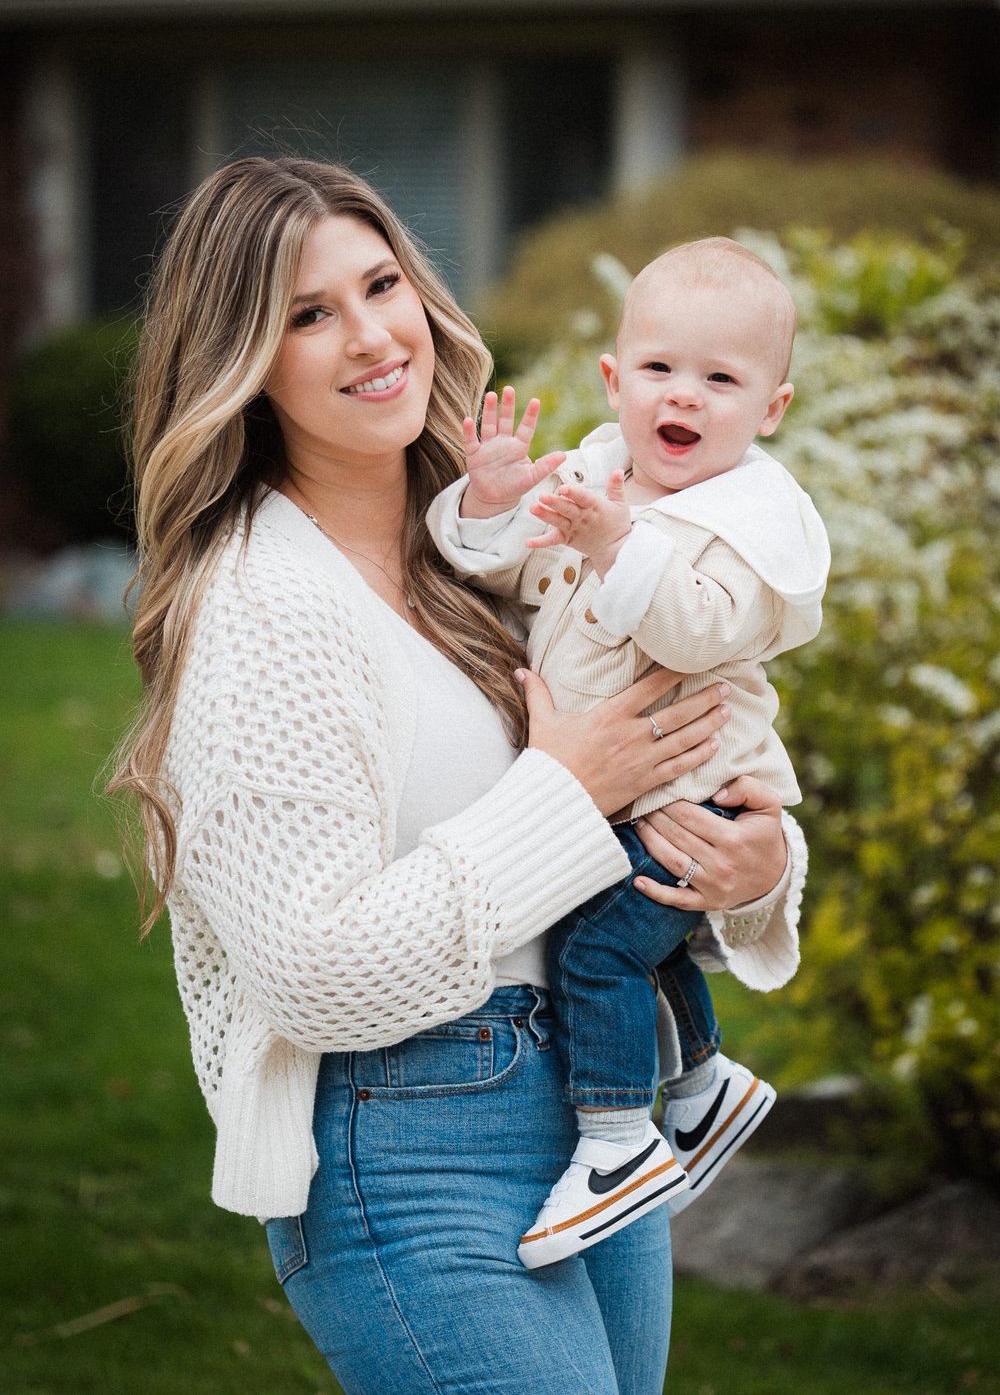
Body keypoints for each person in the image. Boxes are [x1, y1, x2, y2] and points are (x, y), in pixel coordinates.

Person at [111, 158, 801, 1395]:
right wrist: (563, 792)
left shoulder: (497, 535)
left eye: (382, 284)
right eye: (307, 314)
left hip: (600, 1107)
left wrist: (755, 865)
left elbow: (676, 737)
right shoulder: (265, 603)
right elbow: (313, 973)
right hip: (414, 1138)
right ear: (242, 360)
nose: (374, 335)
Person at [428, 237, 830, 1269]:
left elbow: (697, 630)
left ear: (770, 409)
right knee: (632, 938)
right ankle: (699, 1087)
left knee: (601, 949)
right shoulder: (601, 476)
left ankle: (615, 1142)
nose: (681, 397)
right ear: (615, 380)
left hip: (697, 796)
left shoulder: (751, 523)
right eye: (658, 369)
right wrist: (491, 501)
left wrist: (615, 544)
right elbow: (508, 580)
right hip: (633, 793)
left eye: (719, 379)